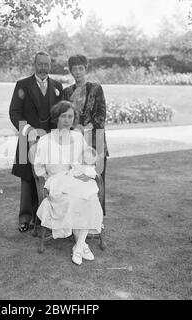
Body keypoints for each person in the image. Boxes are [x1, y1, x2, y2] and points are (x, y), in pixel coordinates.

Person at [33, 101, 103, 265]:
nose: (66, 120)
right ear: (57, 117)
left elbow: (88, 160)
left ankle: (79, 247)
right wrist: (45, 182)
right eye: (63, 116)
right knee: (73, 199)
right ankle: (82, 245)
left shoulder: (78, 137)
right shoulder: (45, 140)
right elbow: (38, 167)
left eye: (70, 116)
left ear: (74, 119)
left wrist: (85, 167)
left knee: (90, 197)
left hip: (75, 178)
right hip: (56, 181)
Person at [9, 51, 63, 233]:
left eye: (46, 64)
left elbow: (60, 114)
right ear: (34, 64)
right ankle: (25, 218)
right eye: (40, 64)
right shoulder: (22, 85)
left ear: (50, 65)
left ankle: (43, 219)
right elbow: (14, 112)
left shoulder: (57, 86)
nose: (43, 68)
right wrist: (28, 130)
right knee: (27, 179)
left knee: (46, 178)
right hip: (28, 138)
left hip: (50, 141)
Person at [63, 54, 109, 216]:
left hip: (95, 140)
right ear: (70, 71)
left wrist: (86, 127)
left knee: (97, 178)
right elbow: (65, 115)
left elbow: (101, 114)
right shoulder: (67, 92)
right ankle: (79, 216)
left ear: (86, 69)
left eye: (80, 68)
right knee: (77, 177)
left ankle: (98, 216)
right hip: (74, 141)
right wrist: (75, 128)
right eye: (74, 69)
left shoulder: (96, 89)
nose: (78, 72)